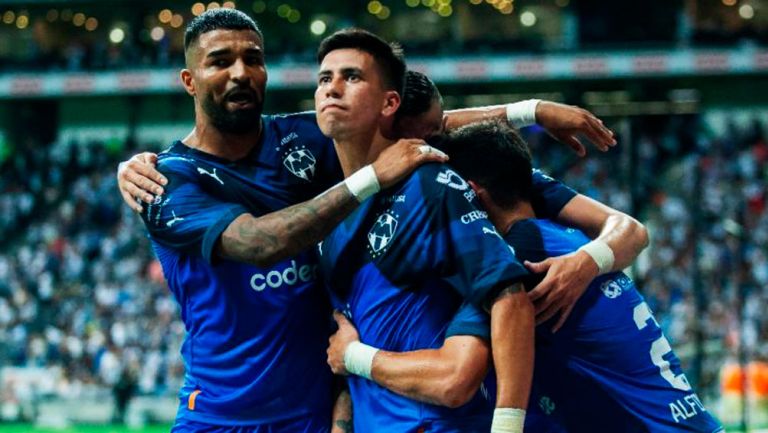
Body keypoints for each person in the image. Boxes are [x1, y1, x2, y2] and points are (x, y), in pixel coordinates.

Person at [134, 9, 450, 433]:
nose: (241, 72)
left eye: (253, 59)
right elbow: (258, 243)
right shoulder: (166, 180)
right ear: (189, 80)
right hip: (218, 418)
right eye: (220, 61)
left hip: (313, 417)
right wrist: (370, 177)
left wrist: (532, 112)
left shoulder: (300, 138)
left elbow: (422, 131)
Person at [328, 120, 725, 433]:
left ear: (469, 193)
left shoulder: (521, 258)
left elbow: (453, 379)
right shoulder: (563, 236)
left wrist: (353, 356)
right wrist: (529, 111)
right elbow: (632, 230)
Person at [314, 28, 537, 433]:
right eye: (325, 78)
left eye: (352, 77)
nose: (333, 88)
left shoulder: (429, 185)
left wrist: (507, 427)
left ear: (390, 102)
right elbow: (348, 340)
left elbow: (511, 300)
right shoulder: (330, 212)